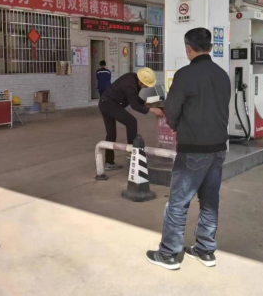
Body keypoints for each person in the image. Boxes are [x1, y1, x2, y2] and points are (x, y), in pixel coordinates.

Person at [146, 28, 231, 271]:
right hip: (218, 148)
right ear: (210, 47)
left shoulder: (185, 74)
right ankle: (205, 250)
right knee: (210, 201)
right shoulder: (222, 75)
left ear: (188, 49)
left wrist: (175, 126)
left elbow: (172, 110)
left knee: (178, 203)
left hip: (194, 148)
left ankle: (169, 254)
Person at [99, 67, 164, 170]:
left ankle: (109, 162)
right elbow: (135, 105)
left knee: (111, 133)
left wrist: (146, 103)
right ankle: (132, 151)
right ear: (141, 81)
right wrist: (152, 110)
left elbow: (134, 97)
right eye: (146, 85)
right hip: (109, 104)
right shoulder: (129, 84)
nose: (147, 87)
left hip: (107, 102)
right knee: (131, 122)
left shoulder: (134, 79)